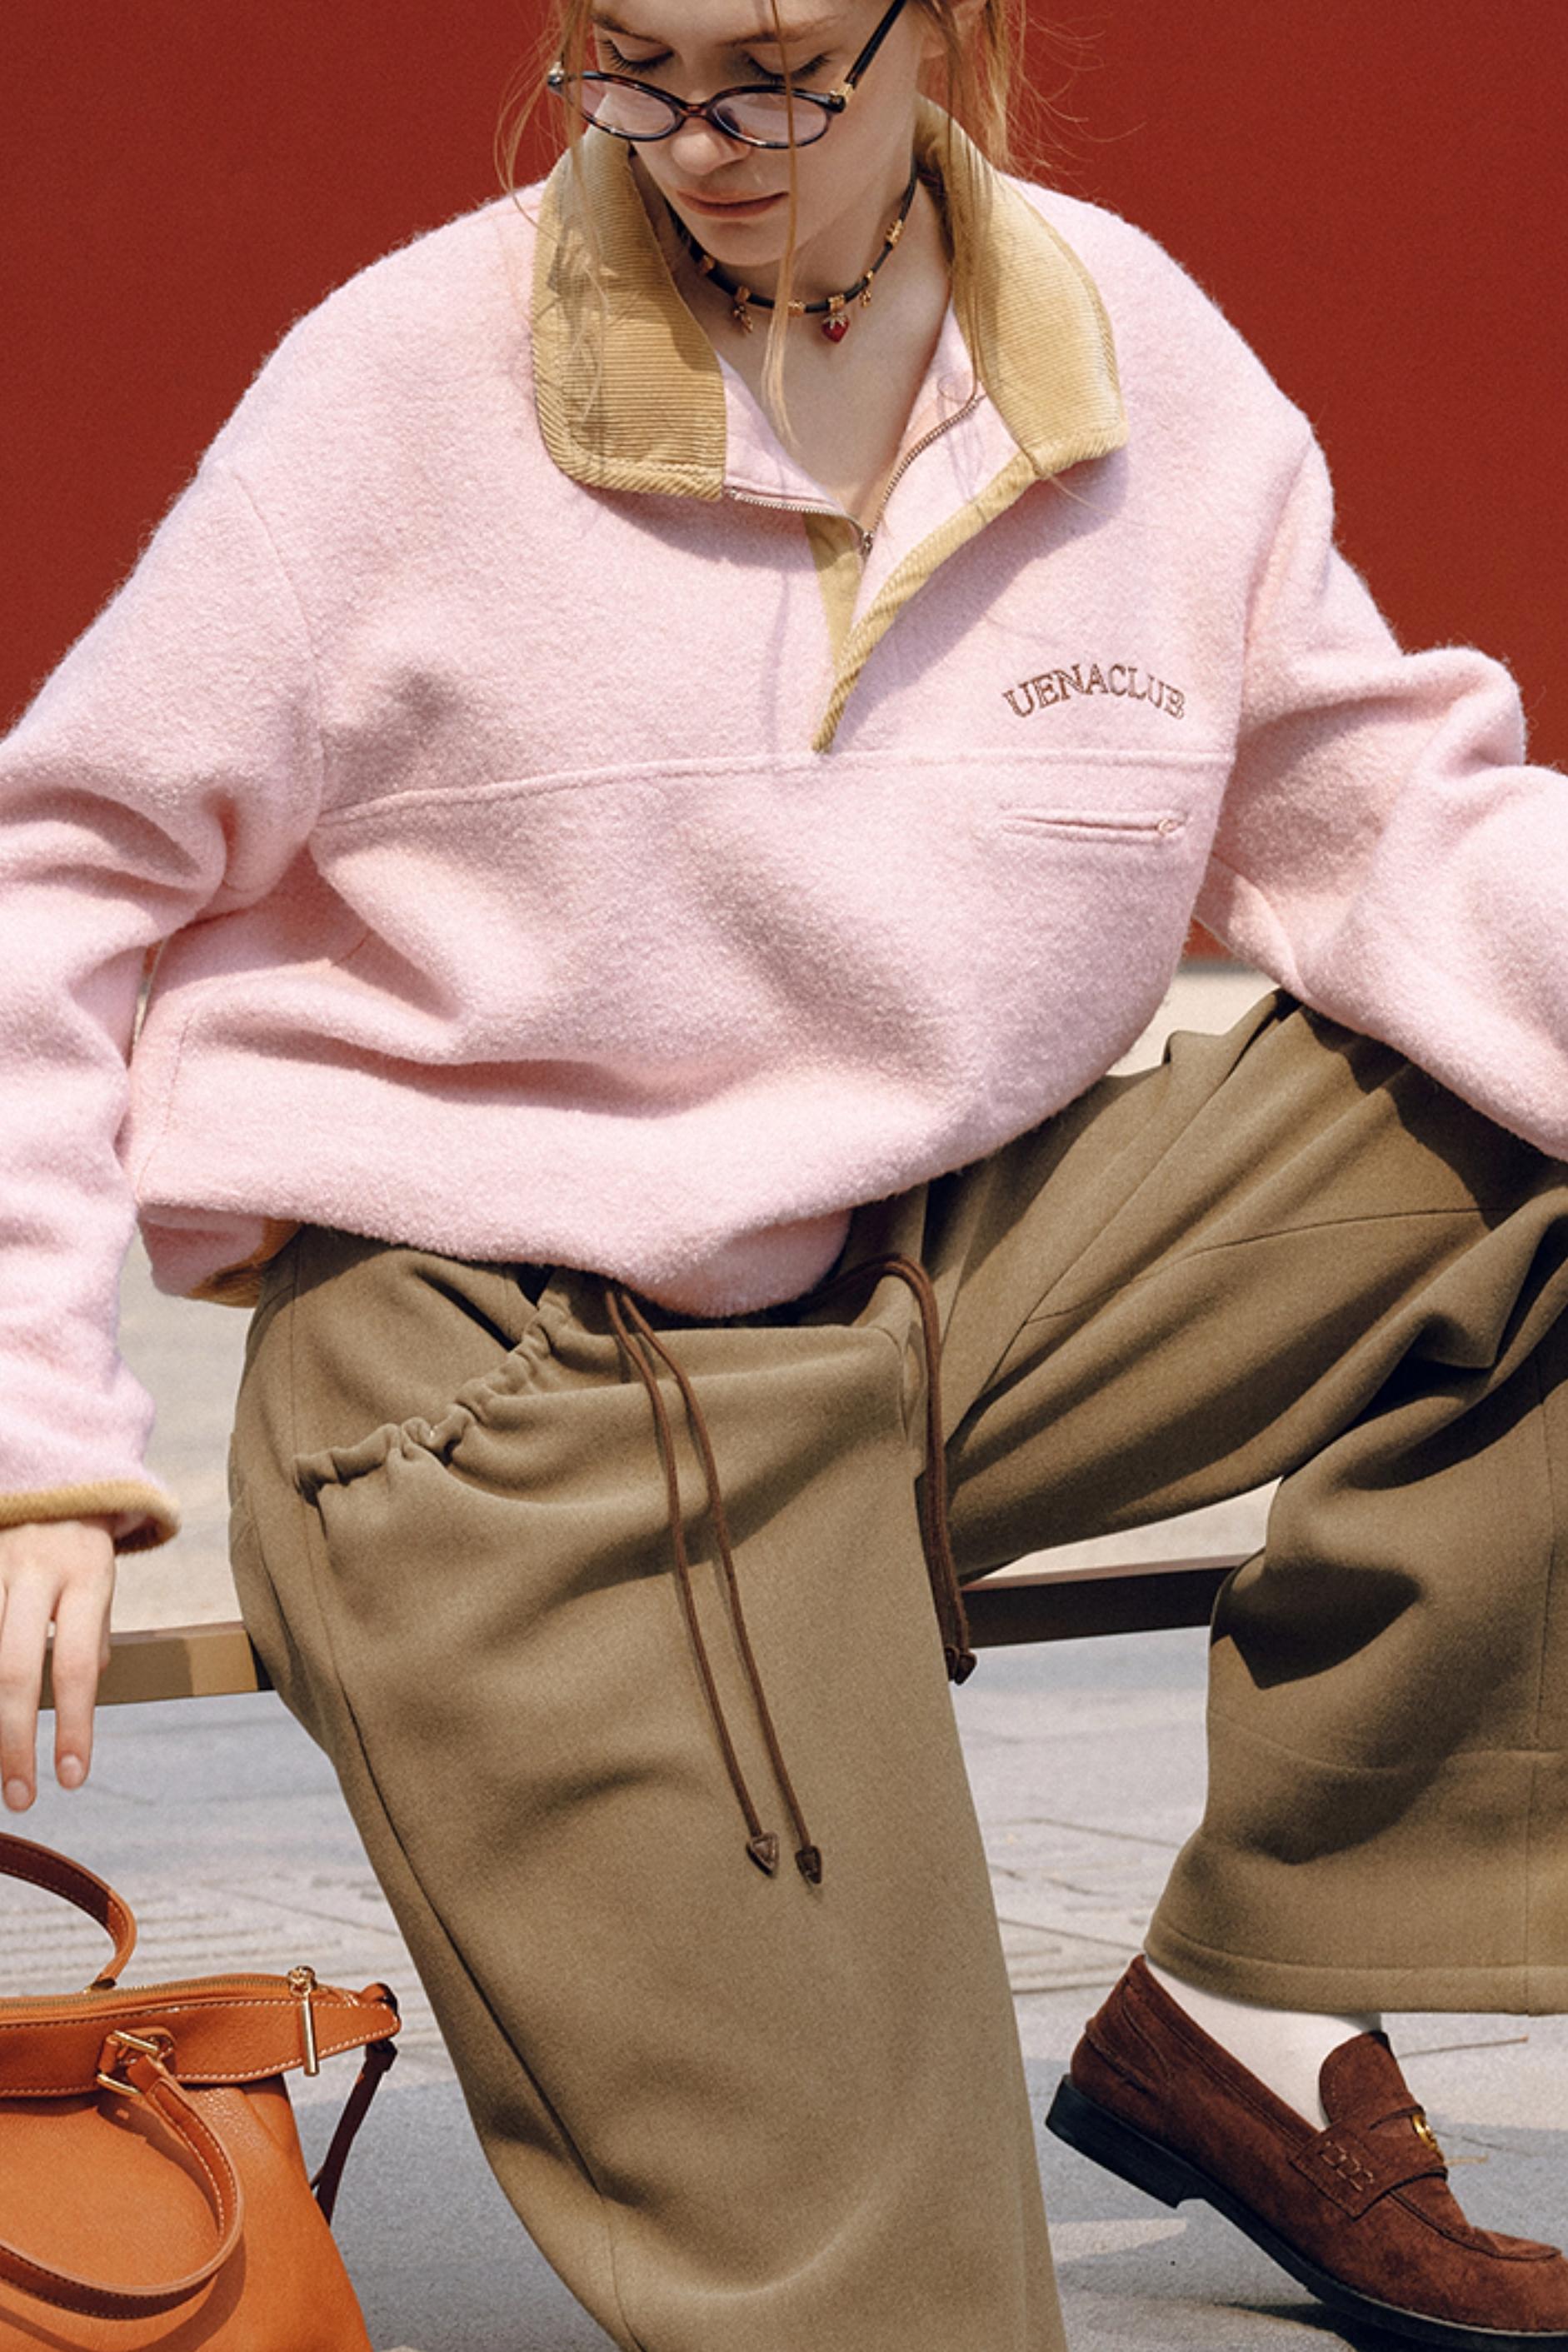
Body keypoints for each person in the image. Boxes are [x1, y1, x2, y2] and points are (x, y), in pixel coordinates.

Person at [2, 2, 1566, 2346]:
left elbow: (1393, 828)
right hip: (501, 1395)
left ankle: (1256, 1998)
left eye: (773, 70)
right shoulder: (403, 381)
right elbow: (53, 873)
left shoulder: (1122, 353)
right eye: (627, 66)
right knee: (912, 2321)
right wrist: (33, 1436)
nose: (699, 141)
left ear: (946, 27)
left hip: (928, 1285)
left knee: (1533, 1126)